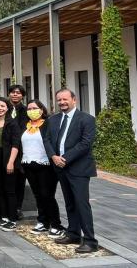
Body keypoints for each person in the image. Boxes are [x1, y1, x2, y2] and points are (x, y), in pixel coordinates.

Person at [44, 89, 98, 253]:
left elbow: (85, 143)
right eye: (59, 100)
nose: (62, 102)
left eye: (65, 99)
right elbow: (46, 139)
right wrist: (53, 156)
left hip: (79, 168)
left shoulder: (86, 119)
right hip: (60, 167)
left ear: (74, 99)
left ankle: (90, 241)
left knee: (82, 204)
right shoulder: (53, 119)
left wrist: (64, 158)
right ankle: (73, 233)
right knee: (69, 203)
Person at [22, 99, 65, 238]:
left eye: (34, 108)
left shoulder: (48, 124)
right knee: (38, 195)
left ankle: (56, 224)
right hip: (29, 164)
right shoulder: (25, 125)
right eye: (29, 109)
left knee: (47, 195)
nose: (31, 111)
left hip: (46, 165)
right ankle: (42, 221)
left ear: (41, 110)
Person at [0, 98, 21, 231]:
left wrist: (11, 162)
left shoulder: (12, 123)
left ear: (7, 108)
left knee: (10, 190)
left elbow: (15, 144)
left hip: (8, 158)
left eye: (2, 106)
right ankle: (4, 216)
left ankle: (12, 219)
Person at [8, 84, 29, 219]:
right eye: (13, 92)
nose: (15, 94)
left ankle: (18, 208)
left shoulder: (27, 111)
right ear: (9, 94)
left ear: (22, 96)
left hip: (21, 150)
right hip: (6, 149)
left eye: (18, 93)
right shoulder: (3, 108)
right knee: (7, 180)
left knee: (20, 181)